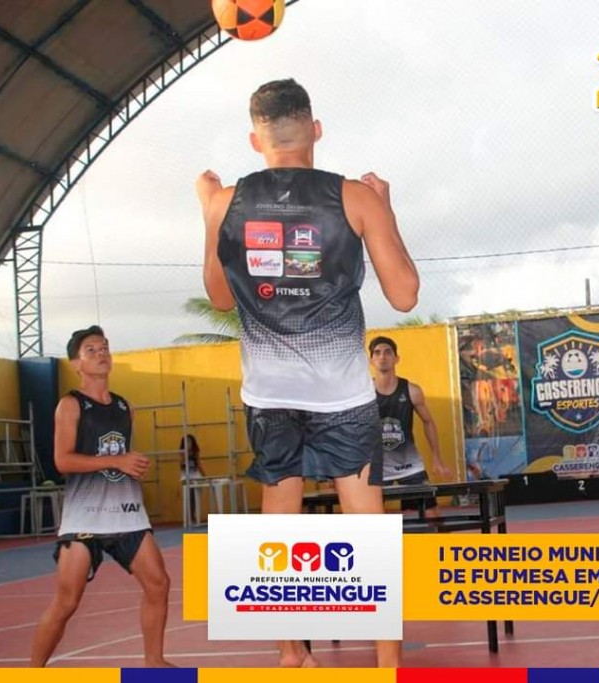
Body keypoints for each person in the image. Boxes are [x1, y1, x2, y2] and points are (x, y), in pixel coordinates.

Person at [195, 78, 418, 668]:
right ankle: (387, 669)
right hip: (342, 397)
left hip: (270, 396)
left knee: (280, 526)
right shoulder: (357, 197)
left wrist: (208, 211)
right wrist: (387, 209)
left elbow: (219, 298)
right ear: (315, 129)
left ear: (255, 139)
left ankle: (293, 654)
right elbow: (404, 295)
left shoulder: (225, 202)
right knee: (367, 532)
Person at [30, 326, 173, 667]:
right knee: (67, 602)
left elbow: (116, 456)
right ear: (76, 363)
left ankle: (154, 663)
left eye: (105, 347)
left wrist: (131, 465)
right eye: (91, 350)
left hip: (126, 512)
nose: (102, 353)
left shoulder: (125, 406)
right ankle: (32, 671)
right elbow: (63, 461)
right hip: (85, 516)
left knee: (158, 584)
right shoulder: (70, 405)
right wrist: (117, 461)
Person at [370, 336, 452, 517]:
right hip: (377, 468)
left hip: (409, 465)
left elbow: (428, 422)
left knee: (432, 517)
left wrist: (436, 458)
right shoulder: (364, 393)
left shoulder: (412, 390)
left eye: (388, 352)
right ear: (371, 360)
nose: (382, 357)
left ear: (396, 358)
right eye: (377, 353)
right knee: (371, 520)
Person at [178, 434, 207, 523]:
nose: (188, 443)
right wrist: (185, 454)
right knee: (189, 495)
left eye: (190, 442)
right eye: (186, 442)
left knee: (195, 495)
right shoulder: (182, 452)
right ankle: (190, 516)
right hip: (186, 476)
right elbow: (180, 465)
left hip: (195, 475)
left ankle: (195, 515)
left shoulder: (195, 451)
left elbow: (198, 463)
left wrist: (205, 475)